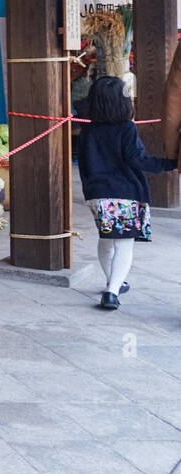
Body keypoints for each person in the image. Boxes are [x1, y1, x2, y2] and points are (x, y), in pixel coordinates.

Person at [76, 75, 177, 310]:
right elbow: (136, 159)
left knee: (106, 239)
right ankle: (112, 291)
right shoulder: (126, 128)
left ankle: (113, 282)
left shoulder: (87, 132)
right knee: (124, 244)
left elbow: (83, 164)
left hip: (96, 194)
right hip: (123, 194)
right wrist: (168, 164)